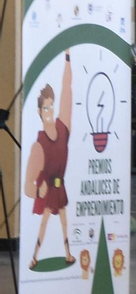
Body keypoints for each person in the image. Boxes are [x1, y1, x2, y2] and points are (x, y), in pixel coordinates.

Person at [24, 51, 74, 274]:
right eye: (45, 107)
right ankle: (34, 257)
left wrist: (67, 58)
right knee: (44, 223)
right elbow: (27, 187)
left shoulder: (63, 129)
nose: (50, 111)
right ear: (39, 111)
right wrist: (38, 191)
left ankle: (68, 253)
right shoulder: (39, 145)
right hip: (48, 189)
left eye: (51, 106)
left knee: (64, 221)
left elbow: (67, 90)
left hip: (60, 185)